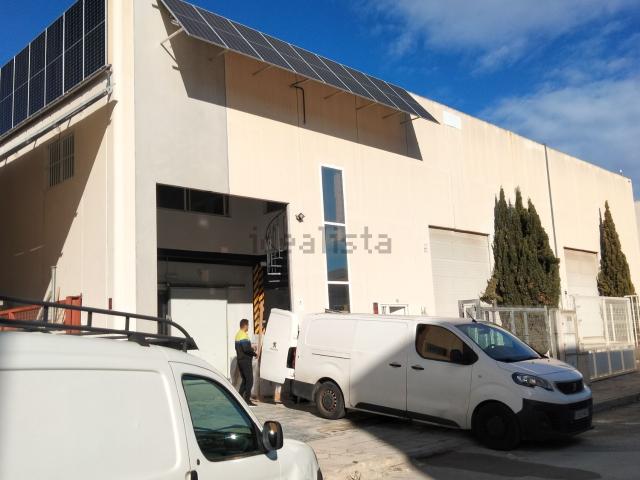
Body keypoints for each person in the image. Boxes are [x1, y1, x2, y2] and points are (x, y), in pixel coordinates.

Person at [235, 319, 257, 406]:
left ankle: (239, 399)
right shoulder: (243, 335)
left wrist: (251, 348)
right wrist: (254, 353)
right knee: (250, 380)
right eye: (248, 325)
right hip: (245, 361)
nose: (248, 327)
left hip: (240, 360)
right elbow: (246, 349)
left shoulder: (238, 334)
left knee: (244, 380)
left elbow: (243, 347)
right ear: (245, 325)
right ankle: (247, 400)